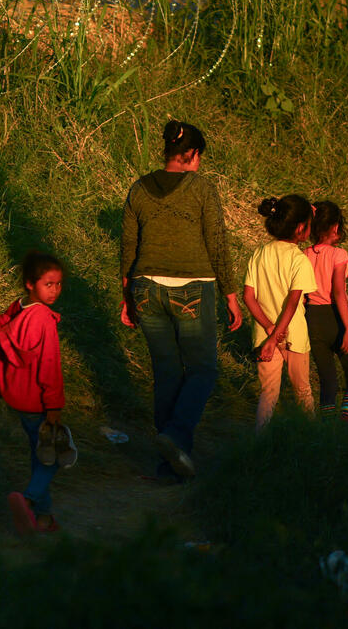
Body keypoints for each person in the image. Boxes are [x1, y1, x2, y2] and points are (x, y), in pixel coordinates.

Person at [120, 120, 243, 481]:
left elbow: (128, 245)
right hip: (192, 287)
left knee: (167, 374)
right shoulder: (201, 188)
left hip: (145, 288)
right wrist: (230, 295)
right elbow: (217, 243)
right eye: (199, 156)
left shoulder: (138, 188)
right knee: (203, 371)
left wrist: (126, 296)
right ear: (192, 154)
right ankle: (175, 437)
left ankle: (169, 465)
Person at [0, 251, 72, 535]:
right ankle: (28, 500)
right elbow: (49, 365)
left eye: (58, 284)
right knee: (53, 459)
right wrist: (54, 405)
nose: (55, 290)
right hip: (39, 401)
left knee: (39, 453)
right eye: (48, 284)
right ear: (31, 283)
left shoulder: (19, 308)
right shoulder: (44, 319)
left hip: (18, 397)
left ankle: (43, 519)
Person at [243, 195, 317, 431]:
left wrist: (269, 330)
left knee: (268, 394)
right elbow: (293, 303)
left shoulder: (259, 253)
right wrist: (277, 337)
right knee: (303, 390)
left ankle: (258, 441)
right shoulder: (300, 260)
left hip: (265, 335)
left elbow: (248, 297)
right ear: (300, 229)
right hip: (293, 334)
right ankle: (313, 438)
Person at [305, 201, 348, 421]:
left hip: (312, 318)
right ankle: (346, 419)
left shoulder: (304, 254)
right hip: (335, 318)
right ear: (335, 227)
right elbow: (338, 292)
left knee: (327, 381)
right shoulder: (338, 255)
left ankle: (327, 427)